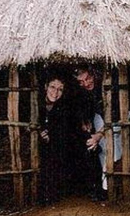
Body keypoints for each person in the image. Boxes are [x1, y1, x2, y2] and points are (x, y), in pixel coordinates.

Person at [75, 66, 106, 201]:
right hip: (100, 118)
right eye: (81, 81)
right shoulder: (83, 93)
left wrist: (99, 135)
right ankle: (96, 188)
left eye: (87, 78)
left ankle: (105, 187)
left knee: (104, 147)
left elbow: (115, 116)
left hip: (117, 118)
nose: (86, 83)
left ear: (94, 74)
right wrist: (85, 121)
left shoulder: (105, 85)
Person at [38, 76, 69, 204]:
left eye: (60, 89)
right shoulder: (36, 103)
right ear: (45, 86)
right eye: (52, 87)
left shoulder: (62, 108)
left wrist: (52, 135)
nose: (55, 93)